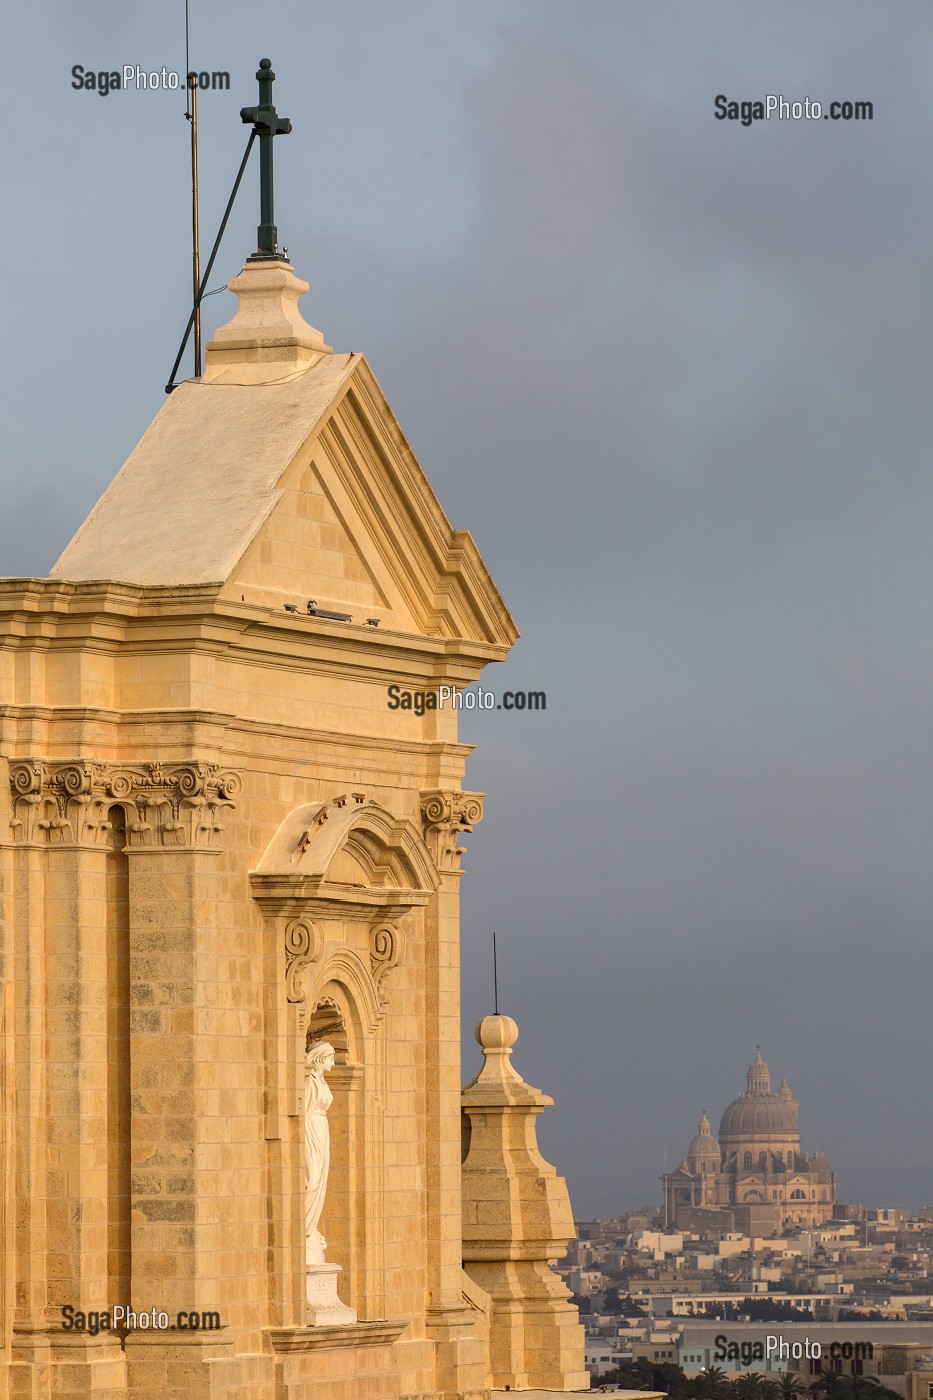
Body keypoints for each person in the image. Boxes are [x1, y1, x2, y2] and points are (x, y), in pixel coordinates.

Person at [305, 1041, 336, 1265]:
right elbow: (303, 1112)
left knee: (321, 1180)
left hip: (322, 1129)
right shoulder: (310, 1083)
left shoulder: (322, 1082)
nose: (334, 1062)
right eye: (331, 1057)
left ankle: (310, 1227)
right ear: (320, 1058)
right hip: (310, 1130)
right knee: (311, 1180)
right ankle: (303, 1225)